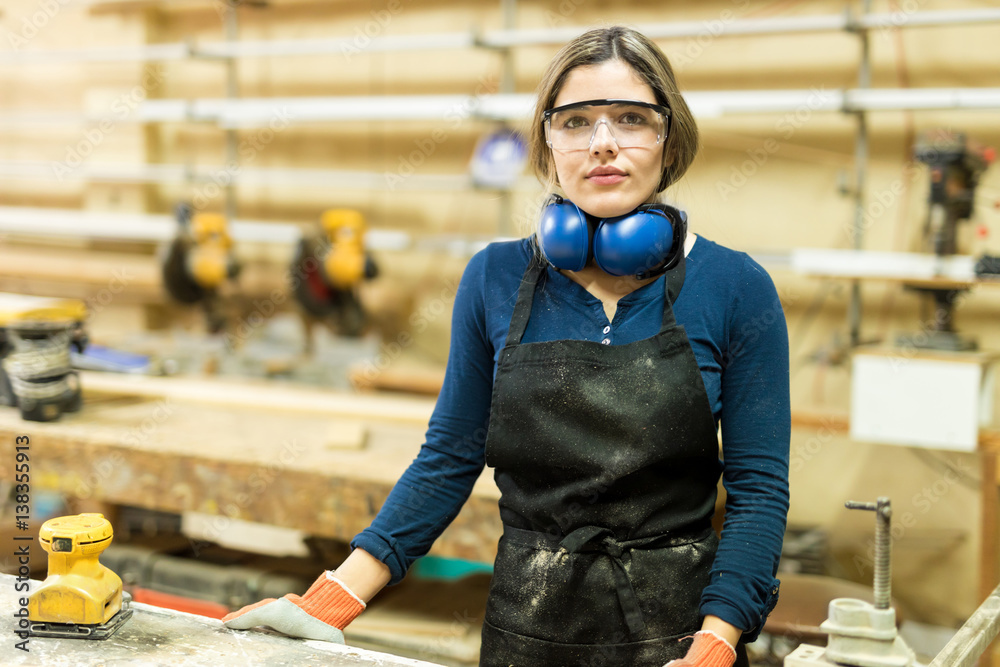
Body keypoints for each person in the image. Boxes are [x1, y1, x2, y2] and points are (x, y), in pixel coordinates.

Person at [223, 25, 790, 667]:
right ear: (547, 144)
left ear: (669, 136)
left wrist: (716, 643)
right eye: (576, 122)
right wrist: (330, 600)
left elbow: (759, 490)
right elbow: (448, 456)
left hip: (680, 640)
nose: (603, 143)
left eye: (631, 118)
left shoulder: (737, 287)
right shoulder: (494, 277)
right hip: (526, 633)